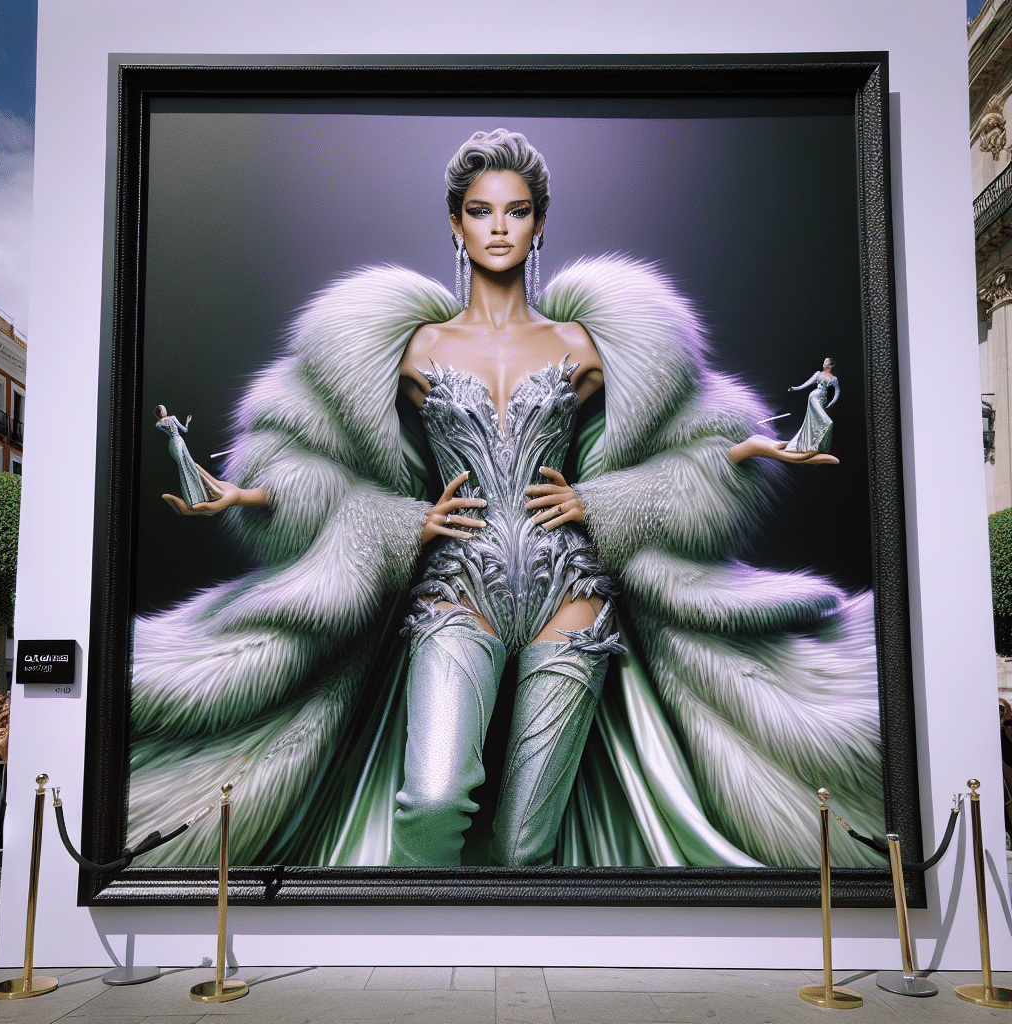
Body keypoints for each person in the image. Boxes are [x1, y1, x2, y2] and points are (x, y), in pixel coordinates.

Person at [127, 131, 884, 870]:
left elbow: (684, 439)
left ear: (540, 221)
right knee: (429, 799)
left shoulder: (588, 344)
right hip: (458, 589)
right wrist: (282, 498)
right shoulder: (412, 349)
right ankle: (422, 965)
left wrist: (705, 465)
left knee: (526, 845)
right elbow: (318, 460)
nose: (500, 227)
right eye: (482, 211)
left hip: (572, 592)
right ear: (456, 222)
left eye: (517, 210)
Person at [153, 405, 212, 511]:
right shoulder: (172, 419)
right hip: (178, 442)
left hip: (173, 444)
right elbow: (184, 430)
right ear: (160, 412)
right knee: (186, 468)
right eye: (163, 409)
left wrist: (187, 422)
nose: (165, 409)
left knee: (185, 467)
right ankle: (194, 498)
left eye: (165, 408)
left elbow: (173, 428)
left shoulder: (159, 424)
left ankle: (194, 498)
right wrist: (187, 423)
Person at [785, 358, 840, 455]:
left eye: (826, 363)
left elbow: (837, 392)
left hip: (822, 400)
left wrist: (831, 403)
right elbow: (808, 383)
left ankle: (814, 446)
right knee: (828, 422)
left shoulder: (834, 379)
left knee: (817, 423)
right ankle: (815, 446)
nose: (824, 364)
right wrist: (796, 388)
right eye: (824, 362)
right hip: (814, 397)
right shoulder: (818, 374)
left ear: (831, 366)